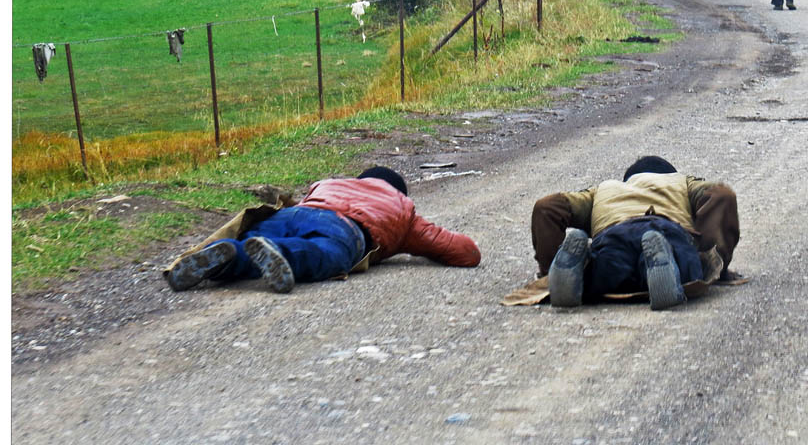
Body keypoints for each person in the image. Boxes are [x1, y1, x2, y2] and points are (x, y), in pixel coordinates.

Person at [164, 166, 480, 293]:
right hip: (345, 228)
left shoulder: (331, 183)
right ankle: (280, 255)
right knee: (324, 253)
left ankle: (227, 258)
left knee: (259, 239)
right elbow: (465, 252)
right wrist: (408, 243)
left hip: (300, 211)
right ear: (399, 191)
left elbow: (305, 208)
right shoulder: (402, 207)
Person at [529, 156, 741, 310]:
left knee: (600, 271)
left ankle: (573, 271)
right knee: (687, 266)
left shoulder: (605, 189)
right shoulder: (680, 182)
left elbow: (548, 206)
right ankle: (663, 260)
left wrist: (547, 272)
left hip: (614, 234)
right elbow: (721, 195)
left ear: (627, 179)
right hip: (665, 229)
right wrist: (713, 261)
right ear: (670, 174)